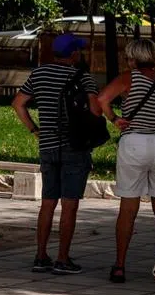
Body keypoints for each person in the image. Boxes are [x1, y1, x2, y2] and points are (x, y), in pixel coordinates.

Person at [12, 32, 101, 274]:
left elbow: (18, 103)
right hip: (75, 147)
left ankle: (41, 256)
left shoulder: (39, 74)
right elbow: (96, 111)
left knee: (48, 203)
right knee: (69, 205)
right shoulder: (83, 77)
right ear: (73, 54)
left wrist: (34, 129)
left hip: (48, 147)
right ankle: (63, 259)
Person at [97, 39, 155, 283]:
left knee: (128, 207)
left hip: (135, 142)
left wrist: (114, 118)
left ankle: (119, 265)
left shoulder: (129, 78)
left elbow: (102, 98)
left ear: (134, 58)